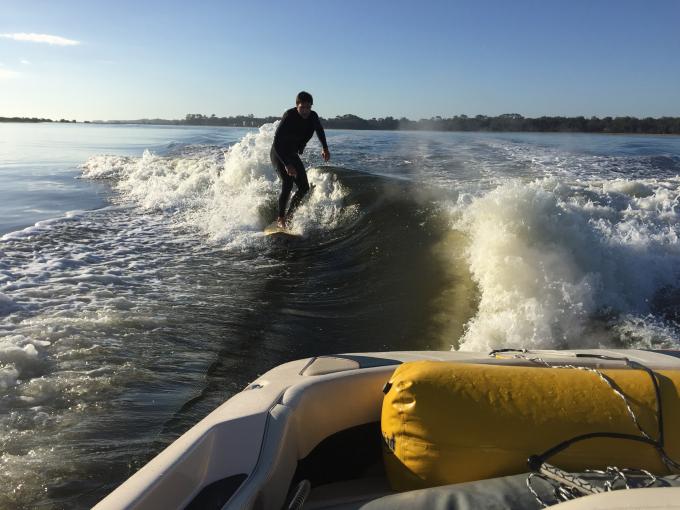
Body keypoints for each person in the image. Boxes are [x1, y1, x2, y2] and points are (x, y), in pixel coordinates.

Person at [270, 91, 330, 228]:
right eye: (302, 107)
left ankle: (290, 215)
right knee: (288, 183)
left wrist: (325, 148)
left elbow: (319, 130)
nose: (305, 111)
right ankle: (281, 218)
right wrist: (287, 164)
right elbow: (277, 142)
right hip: (279, 153)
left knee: (304, 187)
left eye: (308, 107)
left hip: (292, 153)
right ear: (297, 105)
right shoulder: (289, 116)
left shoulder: (313, 116)